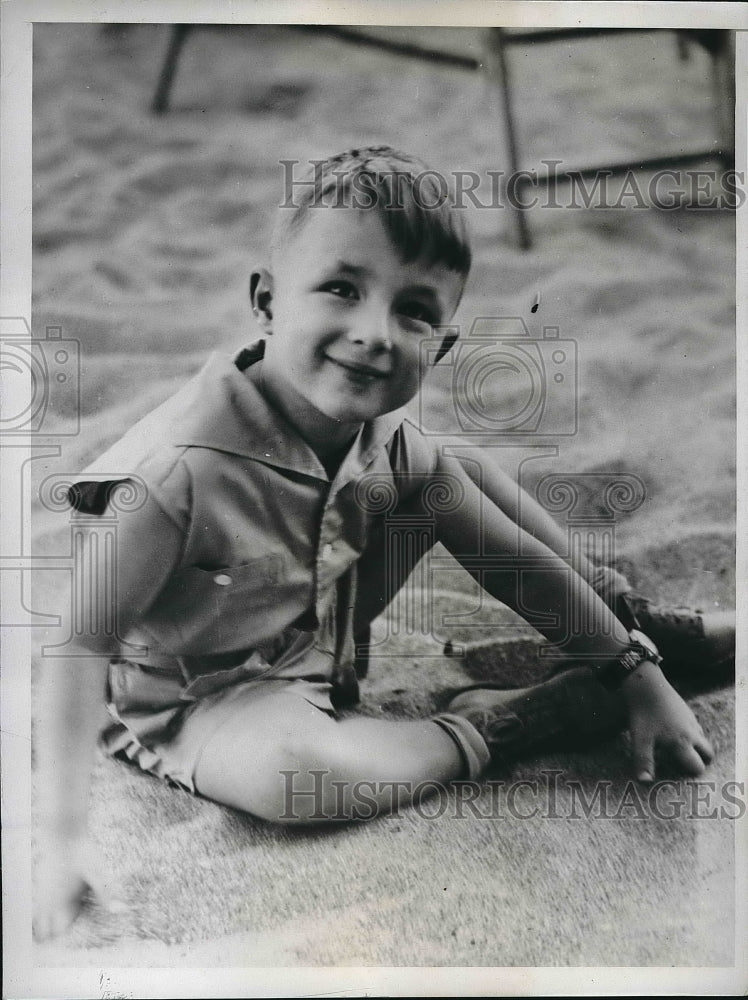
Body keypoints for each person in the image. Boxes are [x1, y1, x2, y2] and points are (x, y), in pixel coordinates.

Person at [34, 146, 731, 941]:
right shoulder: (178, 473)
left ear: (444, 346)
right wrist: (59, 845)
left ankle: (633, 630)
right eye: (341, 289)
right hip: (202, 698)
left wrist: (629, 665)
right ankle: (532, 716)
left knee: (450, 469)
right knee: (296, 779)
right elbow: (76, 647)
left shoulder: (382, 433)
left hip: (317, 619)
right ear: (267, 303)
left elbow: (512, 558)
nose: (375, 334)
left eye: (415, 312)